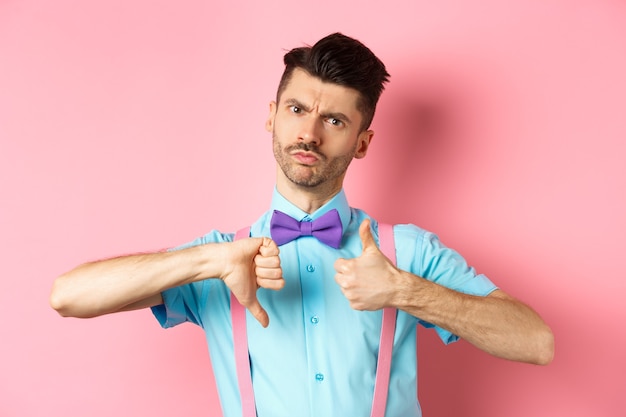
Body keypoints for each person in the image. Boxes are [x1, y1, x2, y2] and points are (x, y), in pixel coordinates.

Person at [50, 32, 554, 417]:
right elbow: (69, 296)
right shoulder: (222, 256)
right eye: (296, 110)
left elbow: (536, 342)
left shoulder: (408, 254)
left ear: (362, 142)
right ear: (272, 117)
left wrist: (406, 291)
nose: (309, 133)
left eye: (334, 120)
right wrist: (211, 260)